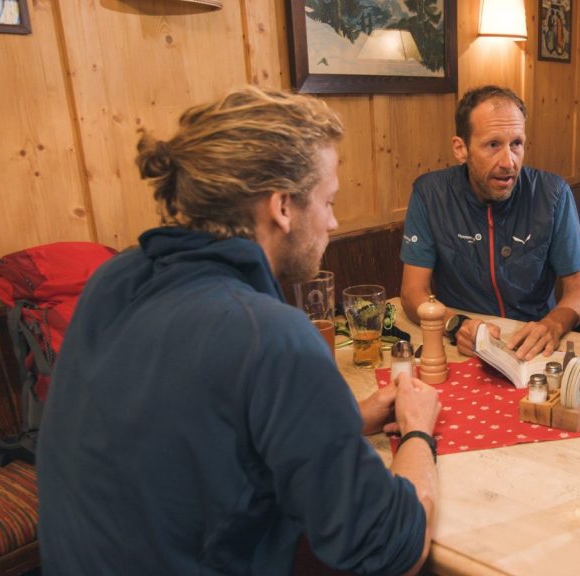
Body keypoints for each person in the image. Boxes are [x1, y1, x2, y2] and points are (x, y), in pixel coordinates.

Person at [37, 86, 442, 575]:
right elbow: (390, 547)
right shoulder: (269, 334)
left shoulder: (114, 279)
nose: (334, 221)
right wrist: (418, 430)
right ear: (282, 207)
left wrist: (346, 419)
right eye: (329, 201)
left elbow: (194, 434)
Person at [400, 85, 580, 361]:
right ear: (460, 149)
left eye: (516, 144)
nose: (509, 162)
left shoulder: (553, 193)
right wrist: (457, 325)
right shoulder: (430, 195)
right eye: (493, 145)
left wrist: (553, 324)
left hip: (532, 348)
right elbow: (412, 292)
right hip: (461, 347)